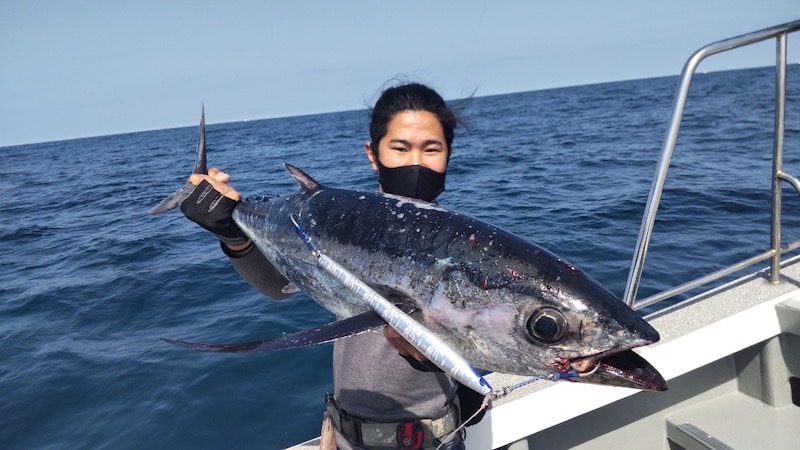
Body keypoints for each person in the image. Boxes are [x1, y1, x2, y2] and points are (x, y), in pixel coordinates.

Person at [180, 82, 478, 449]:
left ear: (449, 154)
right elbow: (280, 287)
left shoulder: (466, 251)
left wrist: (437, 359)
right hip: (341, 436)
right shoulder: (341, 225)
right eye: (400, 148)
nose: (415, 163)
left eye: (431, 149)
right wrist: (232, 233)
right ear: (373, 154)